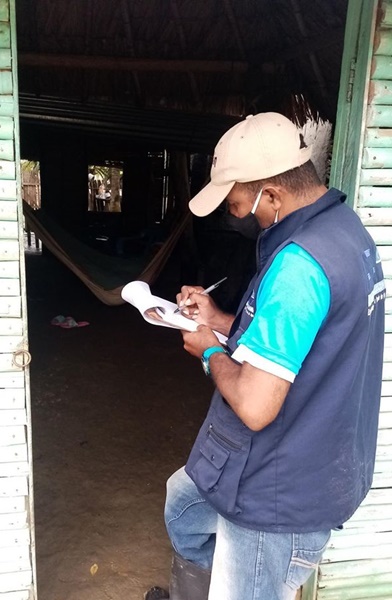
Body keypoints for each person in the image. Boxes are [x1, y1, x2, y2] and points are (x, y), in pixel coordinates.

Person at [149, 113, 385, 600]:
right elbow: (298, 340)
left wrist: (208, 349)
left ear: (272, 195)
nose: (239, 218)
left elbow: (256, 406)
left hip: (277, 489)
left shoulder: (299, 265)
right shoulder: (344, 231)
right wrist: (217, 318)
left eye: (240, 206)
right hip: (309, 460)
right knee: (184, 506)